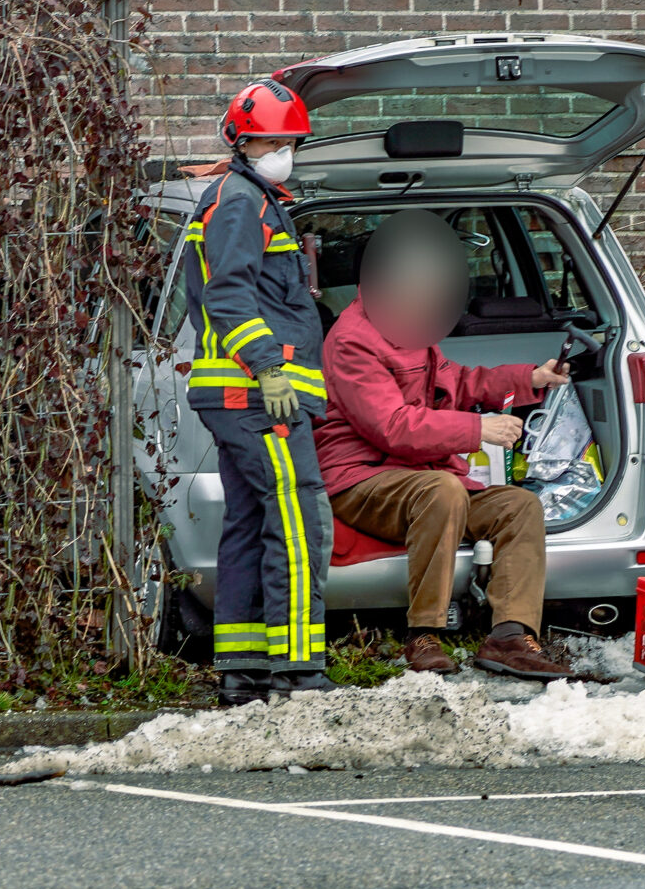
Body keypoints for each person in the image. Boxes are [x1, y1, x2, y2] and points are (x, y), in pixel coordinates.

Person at [316, 211, 576, 678]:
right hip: (362, 482)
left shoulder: (410, 327)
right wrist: (478, 432)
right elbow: (393, 427)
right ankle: (424, 634)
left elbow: (459, 381)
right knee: (442, 489)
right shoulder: (352, 340)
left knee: (519, 506)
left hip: (422, 480)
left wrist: (529, 377)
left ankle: (510, 636)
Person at [181, 80, 334, 703]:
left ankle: (242, 669)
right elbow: (229, 294)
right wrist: (268, 367)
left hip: (239, 395)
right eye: (272, 141)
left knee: (247, 522)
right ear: (243, 143)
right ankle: (299, 670)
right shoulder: (242, 200)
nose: (283, 151)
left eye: (289, 142)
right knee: (298, 519)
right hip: (255, 394)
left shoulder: (247, 197)